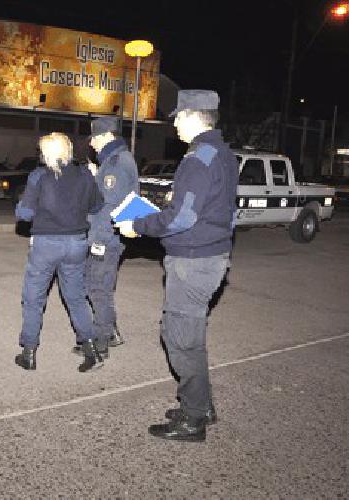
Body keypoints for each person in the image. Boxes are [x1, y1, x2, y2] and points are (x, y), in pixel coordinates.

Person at [115, 90, 238, 442]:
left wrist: (136, 226)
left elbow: (183, 218)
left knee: (179, 337)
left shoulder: (198, 158)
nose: (174, 125)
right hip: (208, 255)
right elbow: (205, 205)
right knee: (191, 336)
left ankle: (192, 420)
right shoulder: (223, 154)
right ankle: (202, 405)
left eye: (178, 117)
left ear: (194, 117)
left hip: (194, 261)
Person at [13, 133, 105, 372]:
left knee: (34, 298)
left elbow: (25, 214)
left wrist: (22, 204)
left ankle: (29, 353)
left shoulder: (39, 176)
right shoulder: (85, 174)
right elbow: (97, 205)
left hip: (46, 245)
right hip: (76, 244)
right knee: (76, 297)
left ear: (46, 153)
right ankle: (92, 351)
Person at [83, 116, 138, 353]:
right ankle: (110, 332)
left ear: (106, 136)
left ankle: (101, 342)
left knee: (97, 288)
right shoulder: (115, 160)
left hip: (105, 236)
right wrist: (97, 174)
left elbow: (108, 204)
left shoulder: (116, 162)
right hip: (108, 234)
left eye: (94, 138)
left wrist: (97, 240)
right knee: (96, 285)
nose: (91, 143)